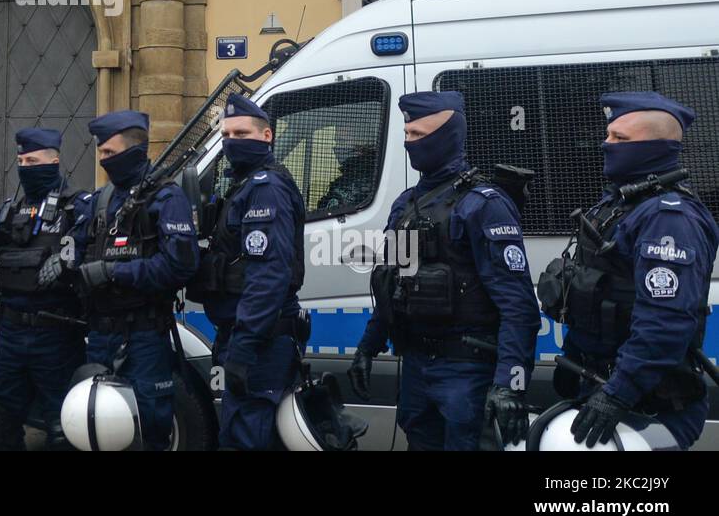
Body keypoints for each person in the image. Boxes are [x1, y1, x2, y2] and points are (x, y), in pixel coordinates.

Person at [347, 92, 540, 450]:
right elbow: (393, 286)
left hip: (467, 370)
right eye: (406, 136)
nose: (410, 144)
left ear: (447, 135)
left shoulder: (483, 205)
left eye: (418, 135)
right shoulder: (405, 205)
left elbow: (519, 307)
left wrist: (509, 382)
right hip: (417, 368)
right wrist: (367, 349)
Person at [546, 92, 718, 450]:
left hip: (652, 402)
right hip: (601, 385)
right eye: (608, 136)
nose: (606, 145)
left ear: (657, 147)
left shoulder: (668, 218)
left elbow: (664, 322)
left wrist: (617, 395)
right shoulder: (617, 206)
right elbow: (597, 290)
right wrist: (575, 355)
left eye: (620, 139)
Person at [186, 94, 306, 450]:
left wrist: (245, 347)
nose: (231, 142)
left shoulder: (265, 189)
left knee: (246, 437)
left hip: (259, 342)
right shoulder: (243, 185)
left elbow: (267, 277)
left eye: (241, 133)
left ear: (267, 136)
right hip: (244, 335)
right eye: (227, 134)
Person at [74, 109, 199, 451]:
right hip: (100, 334)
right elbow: (80, 248)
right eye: (100, 153)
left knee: (147, 427)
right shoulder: (102, 200)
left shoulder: (166, 198)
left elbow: (180, 266)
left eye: (110, 153)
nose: (103, 160)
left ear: (135, 150)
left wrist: (115, 271)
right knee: (98, 427)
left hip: (143, 336)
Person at [0, 126, 90, 450]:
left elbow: (93, 255)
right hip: (11, 337)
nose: (25, 166)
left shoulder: (77, 208)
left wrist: (66, 261)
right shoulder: (10, 212)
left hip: (56, 337)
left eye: (32, 160)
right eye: (21, 160)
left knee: (64, 429)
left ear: (54, 160)